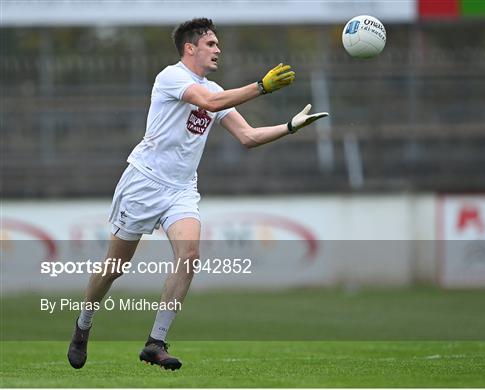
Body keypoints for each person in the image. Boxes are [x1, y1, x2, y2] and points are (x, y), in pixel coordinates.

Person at [67, 17, 328, 371]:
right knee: (115, 268)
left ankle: (155, 342)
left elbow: (248, 137)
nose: (218, 49)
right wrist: (262, 86)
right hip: (144, 182)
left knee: (189, 254)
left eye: (218, 44)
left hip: (181, 190)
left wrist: (290, 127)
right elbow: (211, 102)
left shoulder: (214, 88)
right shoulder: (172, 77)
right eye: (211, 44)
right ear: (190, 48)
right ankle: (83, 324)